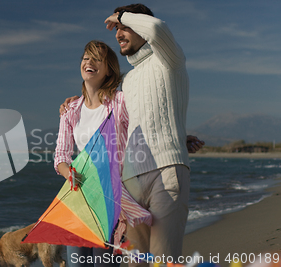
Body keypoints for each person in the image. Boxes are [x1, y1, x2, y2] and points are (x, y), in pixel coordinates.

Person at [60, 4, 205, 267]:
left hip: (166, 172)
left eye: (125, 27)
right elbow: (119, 117)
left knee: (163, 260)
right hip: (128, 185)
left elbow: (158, 28)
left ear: (141, 25)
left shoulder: (169, 60)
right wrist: (74, 103)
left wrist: (123, 16)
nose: (118, 33)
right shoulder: (124, 83)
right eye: (117, 28)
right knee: (134, 263)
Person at [55, 40, 141, 267]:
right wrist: (68, 173)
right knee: (76, 265)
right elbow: (61, 156)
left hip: (111, 201)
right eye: (85, 58)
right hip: (80, 200)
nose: (89, 62)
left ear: (108, 69)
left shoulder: (119, 102)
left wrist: (180, 137)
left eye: (96, 59)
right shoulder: (70, 110)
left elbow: (146, 122)